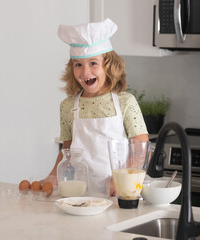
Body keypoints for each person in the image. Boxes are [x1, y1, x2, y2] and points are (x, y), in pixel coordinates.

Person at [47, 18, 149, 196]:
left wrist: (122, 180)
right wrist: (52, 177)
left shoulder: (126, 102)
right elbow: (67, 150)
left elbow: (141, 146)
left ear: (109, 66)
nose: (85, 72)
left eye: (93, 63)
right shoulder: (68, 106)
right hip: (80, 193)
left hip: (120, 193)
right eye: (78, 65)